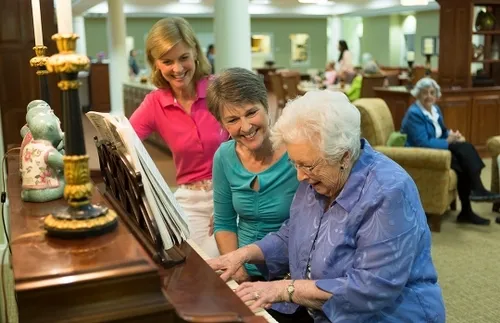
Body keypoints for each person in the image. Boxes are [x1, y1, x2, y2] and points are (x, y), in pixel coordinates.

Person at [208, 90, 445, 323]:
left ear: (343, 156)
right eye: (295, 164)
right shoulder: (319, 176)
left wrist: (286, 290)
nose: (300, 176)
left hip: (384, 315)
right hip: (316, 308)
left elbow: (371, 288)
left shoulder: (389, 191)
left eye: (308, 166)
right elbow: (293, 232)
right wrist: (243, 254)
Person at [129, 17, 227, 258]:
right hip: (188, 198)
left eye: (183, 57)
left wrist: (229, 202)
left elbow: (249, 146)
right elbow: (122, 142)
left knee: (216, 263)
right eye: (167, 61)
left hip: (229, 194)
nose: (177, 68)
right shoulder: (154, 103)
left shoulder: (220, 91)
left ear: (195, 52)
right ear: (155, 64)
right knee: (187, 263)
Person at [206, 67, 299, 282]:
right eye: (232, 120)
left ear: (267, 106)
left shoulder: (296, 151)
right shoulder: (224, 157)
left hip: (289, 274)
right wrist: (239, 273)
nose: (245, 127)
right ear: (222, 124)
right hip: (241, 267)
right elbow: (224, 222)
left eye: (251, 113)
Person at [401, 77, 500, 225]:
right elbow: (423, 142)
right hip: (422, 152)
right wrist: (448, 141)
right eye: (424, 93)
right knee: (464, 152)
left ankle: (468, 209)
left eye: (432, 92)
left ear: (436, 94)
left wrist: (452, 135)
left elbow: (442, 131)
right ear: (418, 94)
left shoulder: (435, 110)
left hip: (437, 148)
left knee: (464, 151)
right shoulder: (414, 113)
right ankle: (476, 192)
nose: (429, 96)